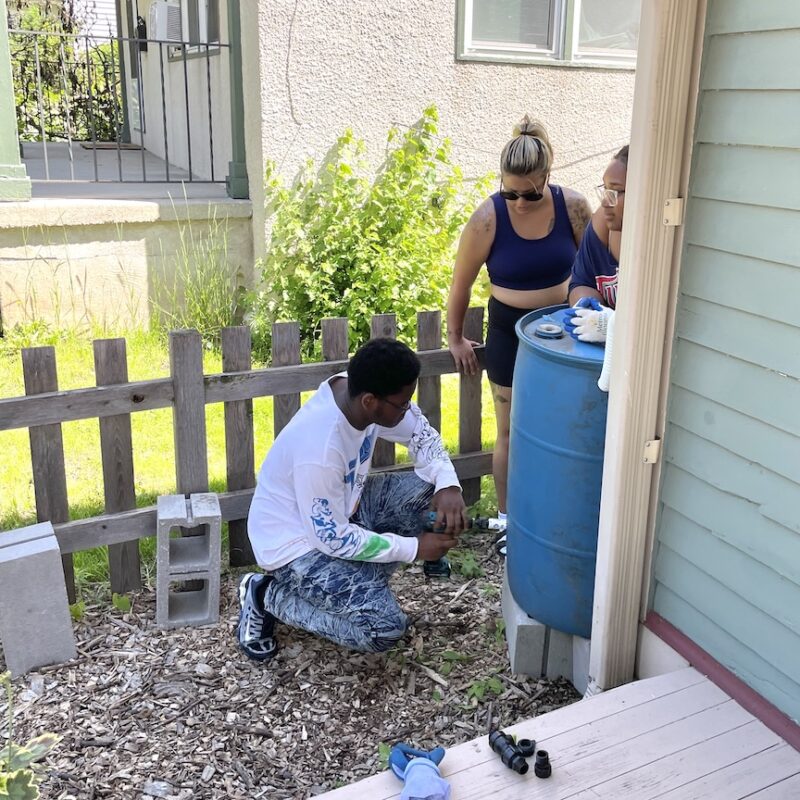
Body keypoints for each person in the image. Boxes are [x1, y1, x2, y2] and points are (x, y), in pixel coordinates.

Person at [237, 338, 468, 662]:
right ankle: (266, 595)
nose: (408, 409)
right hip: (295, 547)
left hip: (344, 508)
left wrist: (448, 485)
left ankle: (363, 580)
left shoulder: (357, 392)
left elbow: (420, 433)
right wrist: (415, 547)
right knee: (384, 628)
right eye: (402, 404)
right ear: (371, 402)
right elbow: (331, 538)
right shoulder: (319, 448)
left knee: (431, 494)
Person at [446, 116, 591, 553]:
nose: (521, 202)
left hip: (564, 332)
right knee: (509, 430)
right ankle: (510, 520)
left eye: (530, 193)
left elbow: (598, 263)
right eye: (511, 192)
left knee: (564, 426)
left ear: (547, 176)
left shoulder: (574, 208)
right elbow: (461, 284)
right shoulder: (488, 218)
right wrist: (455, 337)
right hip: (509, 330)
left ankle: (557, 511)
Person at [567, 145, 629, 318]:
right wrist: (591, 312)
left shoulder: (662, 241)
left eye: (616, 191)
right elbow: (581, 283)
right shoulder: (602, 223)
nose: (605, 202)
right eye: (605, 188)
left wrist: (612, 324)